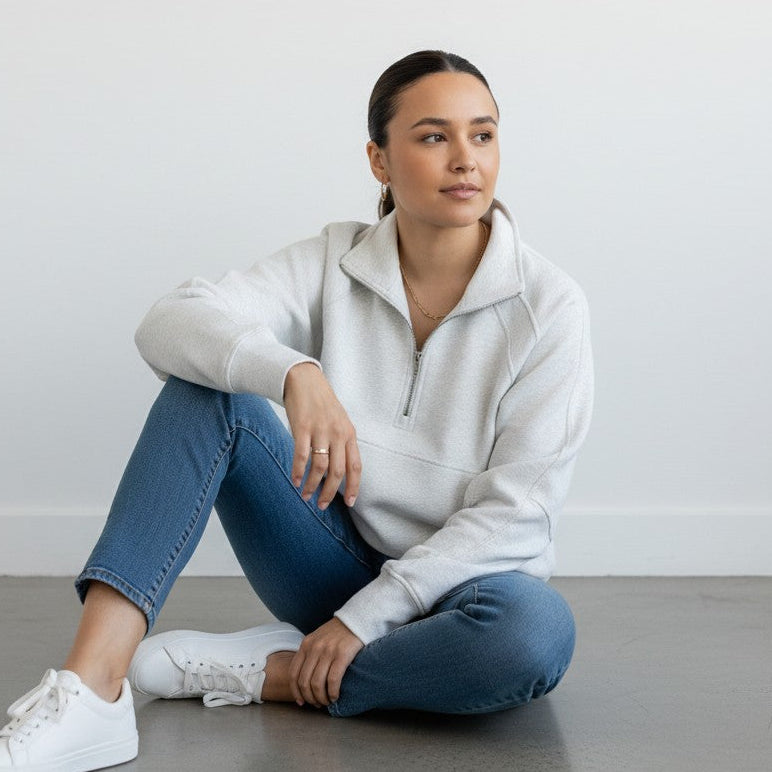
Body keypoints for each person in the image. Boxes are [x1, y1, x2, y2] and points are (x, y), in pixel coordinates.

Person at [0, 50, 594, 770]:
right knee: (203, 394)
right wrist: (293, 373)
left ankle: (276, 675)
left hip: (465, 594)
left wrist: (363, 620)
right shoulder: (333, 261)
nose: (466, 158)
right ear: (379, 160)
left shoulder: (549, 307)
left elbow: (517, 514)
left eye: (484, 134)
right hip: (329, 563)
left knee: (535, 636)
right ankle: (93, 690)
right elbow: (170, 320)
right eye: (434, 136)